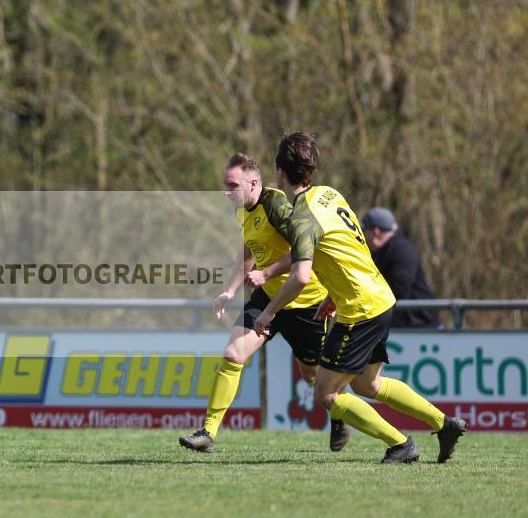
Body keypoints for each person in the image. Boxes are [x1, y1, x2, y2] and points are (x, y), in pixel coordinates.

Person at [253, 131, 466, 463]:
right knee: (369, 385)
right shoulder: (329, 195)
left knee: (326, 393)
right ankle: (444, 424)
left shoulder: (301, 218)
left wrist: (268, 312)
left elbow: (300, 276)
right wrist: (333, 295)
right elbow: (350, 248)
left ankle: (401, 444)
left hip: (360, 310)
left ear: (280, 172)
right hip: (378, 297)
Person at [179, 153, 351, 453]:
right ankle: (207, 432)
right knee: (233, 354)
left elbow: (305, 249)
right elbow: (248, 250)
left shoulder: (277, 205)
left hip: (305, 302)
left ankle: (340, 414)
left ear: (254, 183)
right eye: (225, 185)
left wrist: (267, 272)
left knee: (312, 376)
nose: (226, 192)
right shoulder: (242, 211)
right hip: (269, 296)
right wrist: (230, 290)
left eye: (232, 185)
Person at [360, 207, 441, 328]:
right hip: (407, 325)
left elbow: (399, 290)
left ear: (376, 232)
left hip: (421, 326)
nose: (363, 236)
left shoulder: (401, 251)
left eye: (364, 231)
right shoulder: (383, 251)